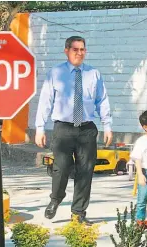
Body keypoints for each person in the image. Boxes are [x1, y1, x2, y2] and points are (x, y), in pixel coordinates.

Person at [35, 36, 113, 225]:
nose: (79, 53)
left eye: (82, 50)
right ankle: (56, 198)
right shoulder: (56, 73)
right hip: (63, 128)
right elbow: (46, 100)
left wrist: (107, 126)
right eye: (75, 49)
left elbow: (102, 100)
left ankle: (78, 212)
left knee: (85, 171)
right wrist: (39, 128)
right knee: (61, 168)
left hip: (86, 129)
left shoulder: (94, 73)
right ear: (66, 51)